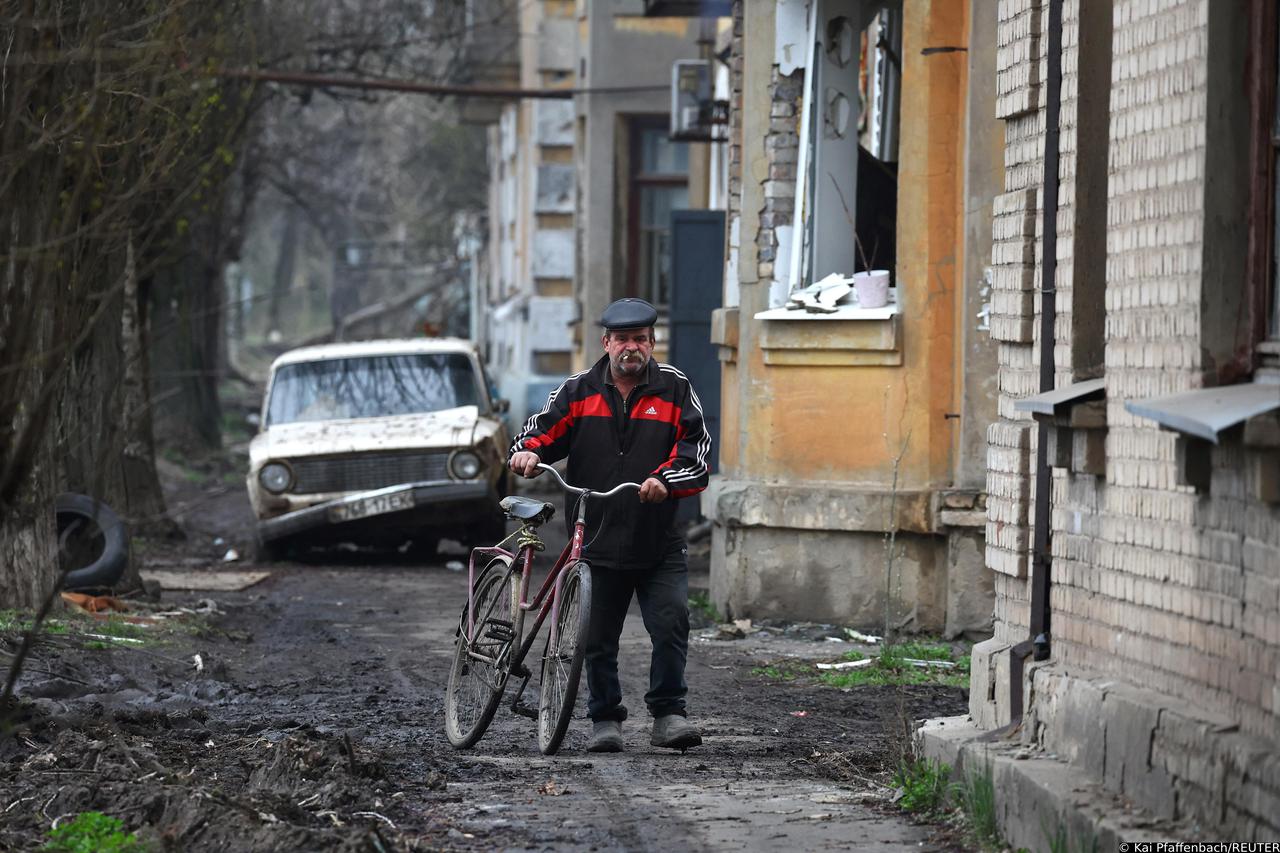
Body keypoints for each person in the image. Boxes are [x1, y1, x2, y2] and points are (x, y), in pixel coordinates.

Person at [508, 297, 710, 753]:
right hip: (595, 538)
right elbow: (541, 431)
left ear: (652, 342)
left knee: (672, 622)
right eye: (622, 339)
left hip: (657, 539)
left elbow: (695, 455)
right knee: (595, 636)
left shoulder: (675, 389)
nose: (631, 348)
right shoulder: (578, 390)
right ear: (607, 343)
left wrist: (664, 478)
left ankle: (668, 714)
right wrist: (528, 452)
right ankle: (605, 719)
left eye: (640, 339)